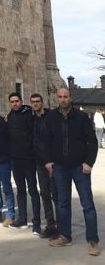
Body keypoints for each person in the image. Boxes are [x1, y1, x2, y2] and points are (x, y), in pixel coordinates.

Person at [45, 87, 100, 256]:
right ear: (57, 98)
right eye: (60, 97)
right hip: (60, 167)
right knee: (62, 203)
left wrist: (88, 163)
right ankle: (65, 236)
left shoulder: (82, 117)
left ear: (70, 98)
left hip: (79, 167)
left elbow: (92, 141)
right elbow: (47, 140)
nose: (63, 99)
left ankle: (92, 240)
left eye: (66, 97)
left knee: (87, 204)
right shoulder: (51, 117)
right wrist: (48, 161)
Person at [7, 92, 41, 232]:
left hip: (28, 159)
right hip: (15, 160)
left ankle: (37, 222)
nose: (15, 103)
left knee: (33, 190)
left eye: (17, 101)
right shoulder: (9, 116)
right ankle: (22, 218)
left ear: (21, 101)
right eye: (12, 101)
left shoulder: (29, 114)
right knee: (20, 191)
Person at [30, 92, 58, 238]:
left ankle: (61, 225)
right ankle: (50, 224)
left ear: (42, 102)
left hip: (52, 163)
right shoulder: (31, 118)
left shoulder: (51, 117)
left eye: (37, 101)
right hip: (40, 163)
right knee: (45, 194)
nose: (35, 104)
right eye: (33, 102)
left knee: (56, 195)